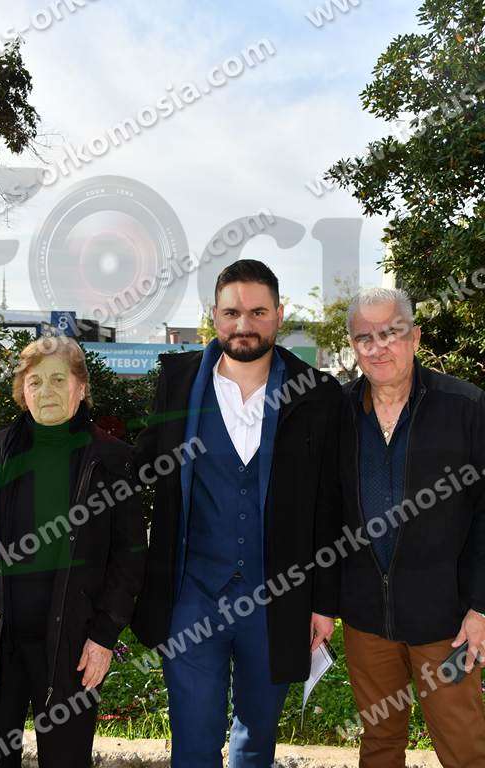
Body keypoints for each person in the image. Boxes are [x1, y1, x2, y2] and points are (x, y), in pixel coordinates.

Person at [131, 259, 342, 768]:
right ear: (214, 316)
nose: (243, 324)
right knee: (193, 738)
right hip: (192, 596)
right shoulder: (178, 382)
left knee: (256, 741)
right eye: (231, 313)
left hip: (277, 599)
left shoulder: (316, 392)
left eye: (257, 312)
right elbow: (140, 468)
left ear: (279, 315)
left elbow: (330, 503)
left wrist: (323, 602)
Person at [0, 336, 146, 768]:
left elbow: (129, 560)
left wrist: (103, 637)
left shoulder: (113, 461)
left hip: (72, 647)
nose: (45, 391)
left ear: (80, 387)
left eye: (57, 380)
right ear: (22, 391)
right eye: (35, 382)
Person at [339, 287, 485, 768]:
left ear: (415, 336)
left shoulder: (465, 407)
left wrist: (481, 607)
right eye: (364, 337)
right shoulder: (338, 412)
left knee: (465, 747)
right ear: (352, 344)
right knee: (379, 745)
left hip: (446, 622)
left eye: (390, 333)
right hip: (366, 620)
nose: (377, 347)